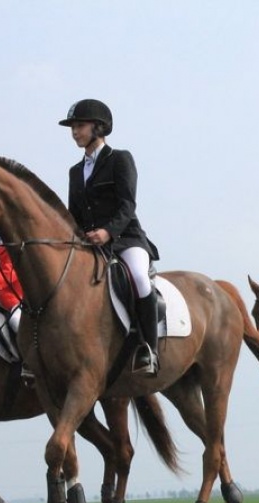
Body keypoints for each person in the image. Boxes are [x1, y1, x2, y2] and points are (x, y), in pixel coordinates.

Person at [59, 98, 161, 375]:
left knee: (139, 277)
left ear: (99, 127)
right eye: (73, 127)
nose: (75, 132)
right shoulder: (75, 172)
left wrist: (107, 231)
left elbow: (128, 205)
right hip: (90, 243)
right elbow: (73, 214)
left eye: (80, 126)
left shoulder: (120, 159)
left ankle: (148, 348)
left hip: (125, 238)